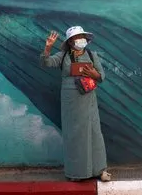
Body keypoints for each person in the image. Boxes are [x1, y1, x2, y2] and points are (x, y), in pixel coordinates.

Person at [41, 25, 111, 182]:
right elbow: (46, 63)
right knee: (74, 135)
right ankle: (76, 173)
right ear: (70, 42)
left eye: (82, 37)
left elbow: (102, 76)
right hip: (70, 101)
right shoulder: (63, 56)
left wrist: (94, 74)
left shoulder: (92, 55)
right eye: (76, 38)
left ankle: (100, 170)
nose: (81, 40)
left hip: (88, 99)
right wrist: (47, 48)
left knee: (94, 133)